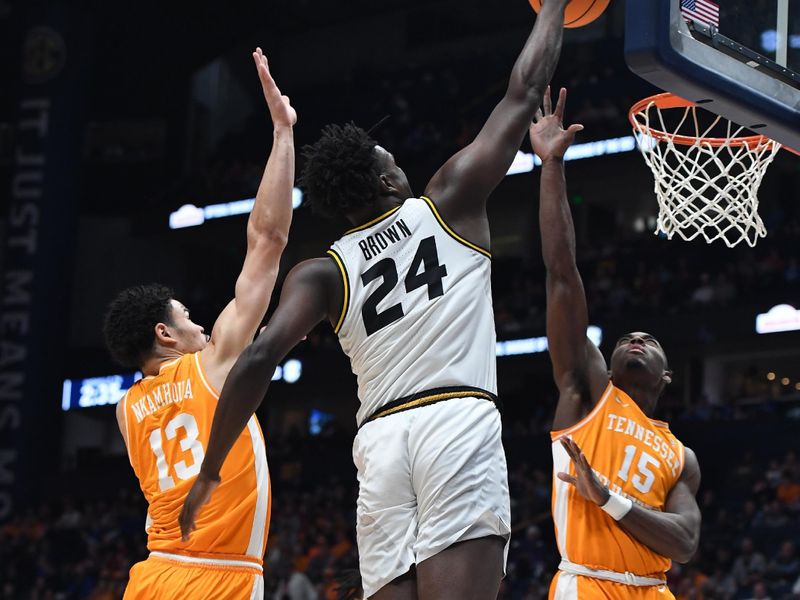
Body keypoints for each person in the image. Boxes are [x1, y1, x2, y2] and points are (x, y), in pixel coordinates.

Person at [179, 2, 569, 598]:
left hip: (381, 443)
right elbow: (524, 91)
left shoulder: (321, 273)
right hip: (455, 420)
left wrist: (210, 470)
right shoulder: (449, 202)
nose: (399, 162)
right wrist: (558, 7)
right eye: (392, 160)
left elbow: (257, 360)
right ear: (388, 182)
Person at [102, 48, 295, 599]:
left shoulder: (125, 410)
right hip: (219, 578)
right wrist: (283, 133)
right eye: (187, 319)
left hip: (153, 574)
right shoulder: (212, 364)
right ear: (164, 335)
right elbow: (268, 241)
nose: (203, 328)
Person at [528, 88, 702, 599]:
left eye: (649, 339)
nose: (636, 339)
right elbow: (562, 275)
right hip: (588, 584)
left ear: (666, 377)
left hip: (656, 589)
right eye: (627, 337)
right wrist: (551, 167)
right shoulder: (588, 391)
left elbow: (686, 543)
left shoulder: (681, 456)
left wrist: (607, 498)